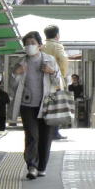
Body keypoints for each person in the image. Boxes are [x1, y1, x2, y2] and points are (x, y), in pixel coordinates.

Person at [10, 31, 61, 180]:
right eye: (26, 44)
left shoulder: (49, 60)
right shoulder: (21, 62)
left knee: (46, 136)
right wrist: (15, 74)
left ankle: (42, 167)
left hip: (47, 104)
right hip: (27, 105)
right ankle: (31, 166)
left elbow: (59, 83)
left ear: (40, 45)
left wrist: (51, 72)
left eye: (32, 43)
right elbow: (12, 86)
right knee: (32, 135)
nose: (29, 46)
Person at [42, 24, 69, 139]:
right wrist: (62, 75)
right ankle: (54, 132)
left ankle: (46, 131)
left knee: (46, 106)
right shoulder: (57, 46)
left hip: (43, 81)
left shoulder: (42, 46)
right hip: (55, 81)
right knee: (56, 106)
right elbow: (63, 61)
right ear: (57, 35)